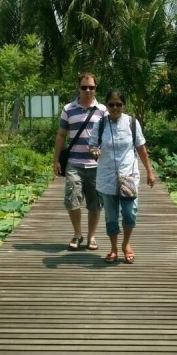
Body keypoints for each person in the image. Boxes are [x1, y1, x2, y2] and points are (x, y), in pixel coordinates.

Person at [88, 89, 156, 264]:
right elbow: (93, 145)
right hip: (107, 176)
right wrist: (95, 151)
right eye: (111, 104)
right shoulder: (100, 124)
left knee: (129, 213)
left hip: (128, 176)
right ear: (107, 105)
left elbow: (141, 148)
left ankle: (126, 244)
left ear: (123, 105)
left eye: (119, 104)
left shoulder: (132, 123)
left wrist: (149, 171)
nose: (115, 107)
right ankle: (113, 248)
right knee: (111, 216)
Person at [53, 72, 107, 251]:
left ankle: (92, 236)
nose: (88, 90)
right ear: (79, 88)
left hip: (96, 165)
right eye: (84, 87)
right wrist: (56, 160)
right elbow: (61, 135)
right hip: (74, 163)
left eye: (91, 87)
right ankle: (77, 234)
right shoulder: (68, 109)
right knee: (72, 199)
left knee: (95, 203)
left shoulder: (103, 110)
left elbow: (109, 136)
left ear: (95, 88)